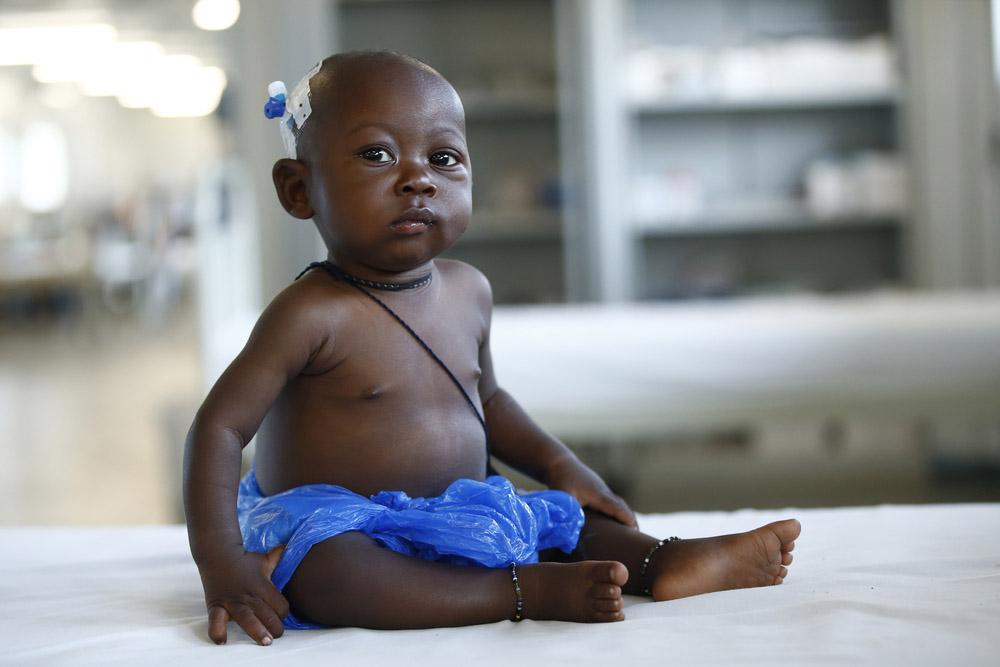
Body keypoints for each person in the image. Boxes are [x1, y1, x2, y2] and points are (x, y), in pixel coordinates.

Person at [183, 50, 800, 646]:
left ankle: (666, 563)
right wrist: (223, 563)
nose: (417, 178)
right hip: (341, 523)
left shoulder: (468, 290)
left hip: (462, 510)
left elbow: (491, 401)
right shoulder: (310, 312)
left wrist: (562, 468)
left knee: (566, 517)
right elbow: (219, 429)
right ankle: (522, 592)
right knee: (327, 573)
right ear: (299, 190)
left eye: (443, 156)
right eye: (377, 154)